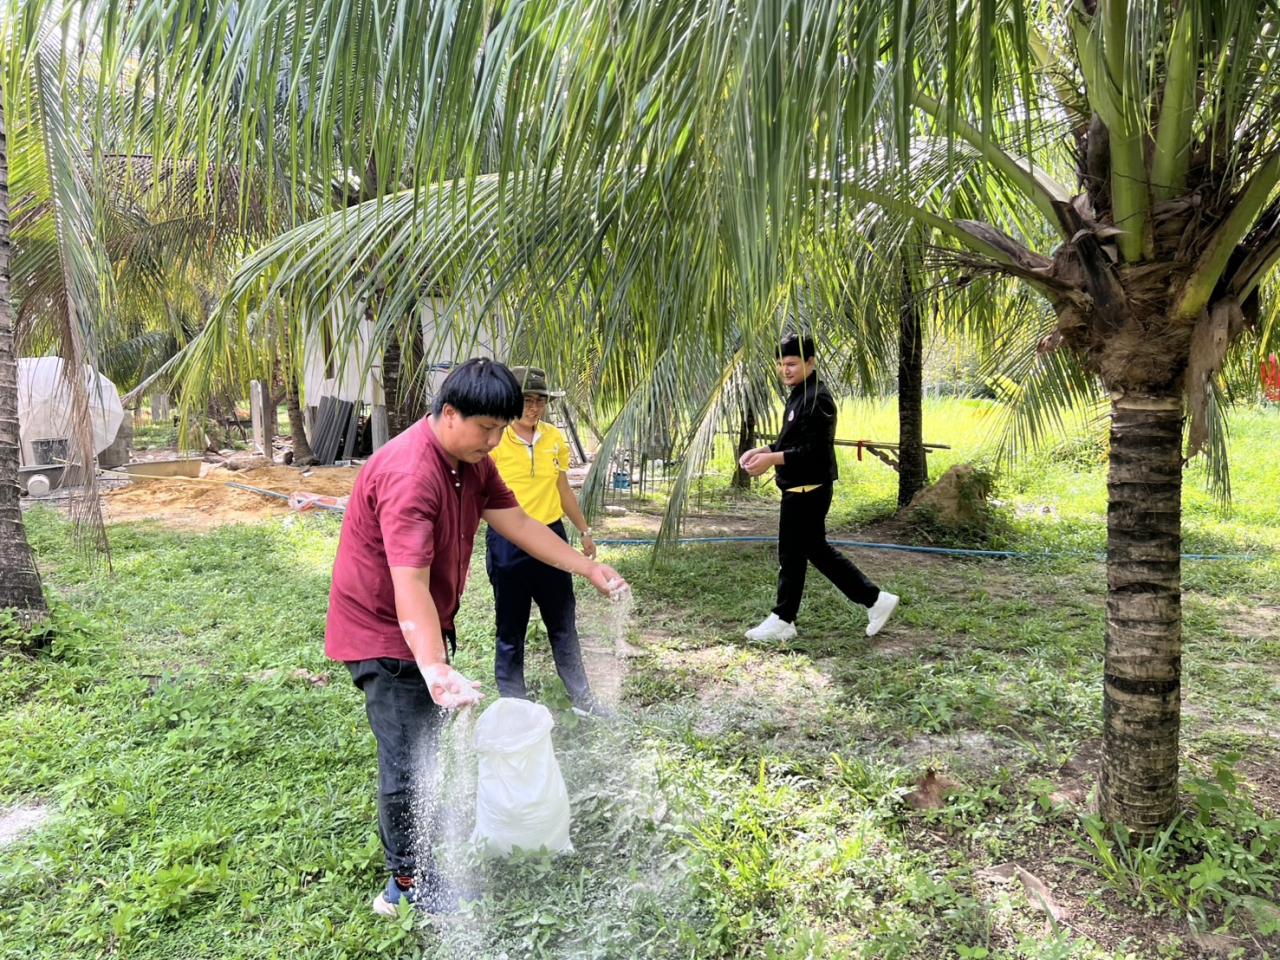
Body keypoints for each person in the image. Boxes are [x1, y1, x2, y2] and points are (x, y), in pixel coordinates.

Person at [324, 358, 628, 917]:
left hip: (422, 627)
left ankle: (419, 854)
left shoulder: (471, 461)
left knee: (426, 746)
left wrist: (585, 568)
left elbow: (520, 524)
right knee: (409, 759)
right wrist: (435, 667)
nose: (493, 441)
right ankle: (405, 884)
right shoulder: (412, 474)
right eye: (485, 429)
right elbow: (409, 584)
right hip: (383, 631)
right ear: (449, 413)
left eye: (500, 430)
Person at [738, 334, 898, 642]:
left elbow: (813, 451)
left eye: (793, 364)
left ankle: (870, 600)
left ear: (811, 363)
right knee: (801, 554)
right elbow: (792, 442)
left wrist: (772, 458)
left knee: (803, 553)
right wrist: (763, 450)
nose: (785, 370)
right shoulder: (799, 394)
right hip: (799, 488)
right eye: (781, 364)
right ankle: (787, 618)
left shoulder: (818, 399)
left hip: (809, 489)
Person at [486, 365, 609, 717]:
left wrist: (583, 530)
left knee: (562, 622)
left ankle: (582, 699)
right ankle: (514, 707)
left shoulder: (554, 438)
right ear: (512, 400)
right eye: (527, 400)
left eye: (541, 400)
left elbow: (562, 488)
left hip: (553, 538)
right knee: (511, 626)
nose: (534, 407)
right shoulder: (495, 441)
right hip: (508, 541)